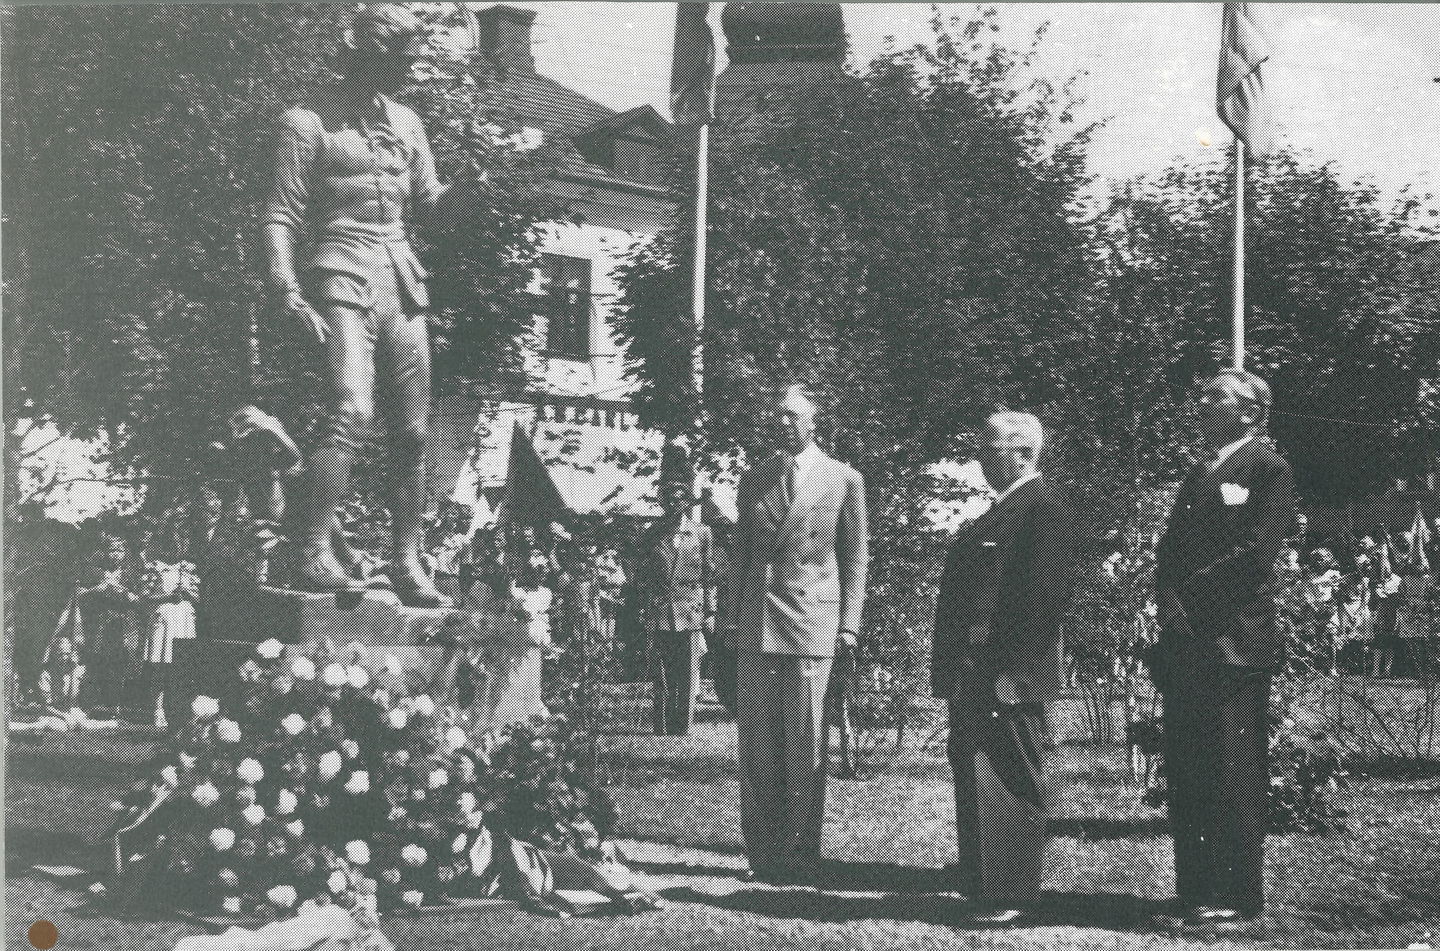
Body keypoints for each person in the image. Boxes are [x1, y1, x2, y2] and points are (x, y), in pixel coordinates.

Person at [263, 3, 460, 607]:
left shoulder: (409, 124)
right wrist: (286, 290)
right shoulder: (305, 122)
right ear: (369, 55)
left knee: (414, 430)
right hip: (340, 271)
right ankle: (311, 549)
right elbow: (280, 214)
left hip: (400, 280)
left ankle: (406, 559)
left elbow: (432, 207)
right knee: (351, 408)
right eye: (400, 61)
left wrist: (469, 195)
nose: (409, 73)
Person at [1153, 369, 1295, 925]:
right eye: (1203, 395)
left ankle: (1235, 895)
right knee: (1190, 766)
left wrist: (1191, 596)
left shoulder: (1267, 467)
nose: (1203, 403)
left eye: (1217, 396)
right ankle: (1196, 888)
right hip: (1188, 642)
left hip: (1234, 641)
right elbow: (1170, 547)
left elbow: (1258, 553)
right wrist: (1169, 602)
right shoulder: (1199, 472)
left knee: (1233, 768)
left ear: (1250, 411)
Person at [930, 412, 1079, 924]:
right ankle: (983, 879)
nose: (980, 458)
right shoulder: (1002, 511)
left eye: (989, 448)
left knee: (1012, 773)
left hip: (1006, 674)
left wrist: (1015, 673)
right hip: (975, 671)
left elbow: (1041, 601)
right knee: (976, 770)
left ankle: (1013, 891)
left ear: (1023, 453)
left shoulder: (1043, 509)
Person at [728, 383, 868, 885]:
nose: (783, 424)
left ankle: (799, 851)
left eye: (792, 416)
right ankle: (763, 853)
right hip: (757, 624)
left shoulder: (844, 479)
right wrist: (730, 618)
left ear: (814, 421)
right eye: (779, 416)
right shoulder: (755, 480)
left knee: (805, 744)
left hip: (812, 623)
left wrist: (849, 625)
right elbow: (741, 554)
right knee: (758, 745)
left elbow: (855, 557)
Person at [640, 480, 715, 736]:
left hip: (690, 610)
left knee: (687, 671)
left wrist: (710, 611)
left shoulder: (702, 533)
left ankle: (682, 726)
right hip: (661, 610)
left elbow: (708, 575)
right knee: (662, 671)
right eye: (668, 500)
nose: (673, 504)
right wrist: (647, 600)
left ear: (687, 503)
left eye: (679, 500)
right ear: (662, 502)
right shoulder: (653, 533)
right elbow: (641, 571)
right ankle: (662, 725)